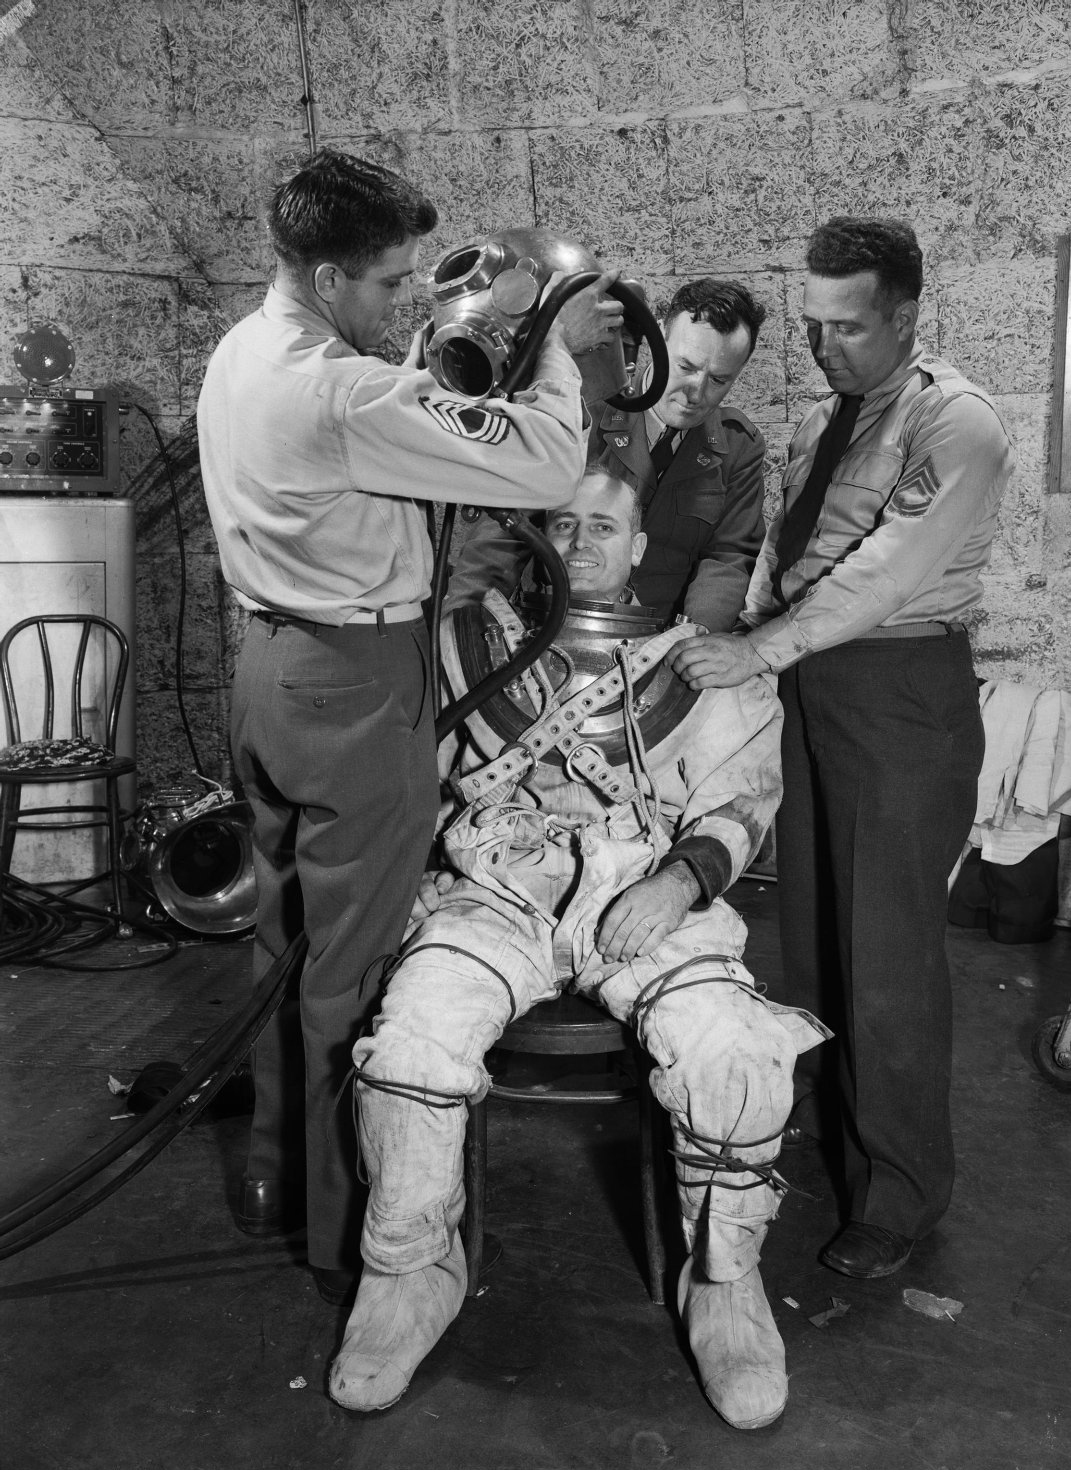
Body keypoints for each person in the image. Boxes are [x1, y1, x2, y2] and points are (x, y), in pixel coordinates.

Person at [196, 149, 623, 1304]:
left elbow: (418, 408)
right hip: (355, 685)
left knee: (281, 941)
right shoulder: (339, 390)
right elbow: (541, 465)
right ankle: (356, 1234)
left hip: (269, 673)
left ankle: (273, 1175)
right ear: (329, 275)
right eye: (386, 284)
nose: (400, 306)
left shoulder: (243, 351)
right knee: (357, 966)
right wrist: (569, 349)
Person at [328, 468, 827, 1429]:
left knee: (736, 1052)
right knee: (410, 1047)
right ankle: (410, 1269)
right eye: (564, 523)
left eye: (605, 525)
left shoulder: (698, 666)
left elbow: (739, 805)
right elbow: (411, 782)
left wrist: (678, 881)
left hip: (646, 893)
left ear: (641, 547)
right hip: (497, 888)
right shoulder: (467, 649)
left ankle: (723, 1282)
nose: (583, 539)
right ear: (538, 541)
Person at [670, 217, 1015, 1281]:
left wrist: (758, 650)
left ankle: (900, 1196)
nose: (825, 349)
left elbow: (882, 574)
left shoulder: (958, 425)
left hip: (900, 692)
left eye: (848, 329)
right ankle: (825, 1129)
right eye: (813, 329)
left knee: (889, 959)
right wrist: (728, 638)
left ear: (906, 315)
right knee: (815, 935)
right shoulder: (836, 417)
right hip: (820, 688)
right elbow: (797, 552)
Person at [445, 278, 768, 631]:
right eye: (686, 367)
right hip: (552, 631)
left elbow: (728, 557)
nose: (696, 392)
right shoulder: (579, 413)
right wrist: (464, 624)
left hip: (659, 644)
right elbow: (502, 534)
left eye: (719, 380)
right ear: (658, 337)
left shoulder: (737, 447)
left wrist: (695, 639)